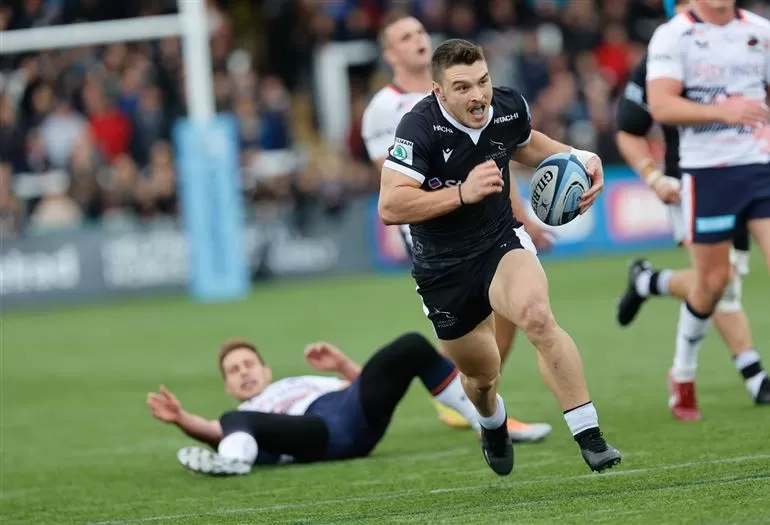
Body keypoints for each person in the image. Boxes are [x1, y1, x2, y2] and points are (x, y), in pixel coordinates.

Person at [377, 39, 621, 476]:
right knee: (483, 376)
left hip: (498, 243)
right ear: (439, 92)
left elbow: (524, 144)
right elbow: (390, 206)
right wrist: (461, 193)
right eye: (463, 87)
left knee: (538, 317)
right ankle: (492, 422)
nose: (478, 96)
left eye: (483, 82)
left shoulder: (507, 106)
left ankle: (590, 434)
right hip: (442, 270)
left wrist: (579, 156)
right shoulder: (418, 127)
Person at [361, 12, 552, 442]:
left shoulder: (467, 92)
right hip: (435, 235)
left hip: (487, 218)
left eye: (420, 31)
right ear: (391, 54)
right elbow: (392, 181)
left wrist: (521, 216)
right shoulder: (384, 109)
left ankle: (479, 399)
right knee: (475, 322)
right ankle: (469, 402)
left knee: (517, 312)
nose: (418, 39)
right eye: (405, 37)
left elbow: (495, 159)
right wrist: (453, 191)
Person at [615, 0, 770, 418]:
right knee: (719, 281)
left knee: (724, 280)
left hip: (756, 167)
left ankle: (651, 282)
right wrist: (652, 176)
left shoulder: (756, 32)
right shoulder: (665, 48)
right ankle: (735, 373)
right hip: (692, 182)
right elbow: (630, 131)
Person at [147, 332, 537, 476]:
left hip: (352, 410)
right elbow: (216, 430)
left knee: (411, 347)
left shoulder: (299, 381)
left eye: (249, 363)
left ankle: (483, 424)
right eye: (234, 370)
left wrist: (342, 365)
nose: (244, 371)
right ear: (228, 385)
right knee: (237, 421)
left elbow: (365, 386)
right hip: (320, 434)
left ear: (266, 370)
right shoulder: (244, 414)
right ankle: (233, 463)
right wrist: (182, 419)